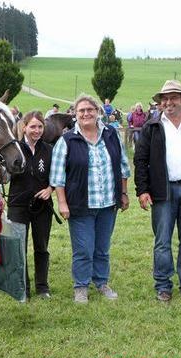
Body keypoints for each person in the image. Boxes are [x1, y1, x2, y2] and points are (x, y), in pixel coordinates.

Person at [50, 94, 130, 304]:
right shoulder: (66, 140)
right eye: (81, 111)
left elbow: (123, 167)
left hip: (107, 204)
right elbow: (58, 177)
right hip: (80, 205)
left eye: (90, 110)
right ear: (75, 115)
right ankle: (81, 287)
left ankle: (101, 282)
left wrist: (123, 193)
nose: (86, 114)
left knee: (102, 247)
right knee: (84, 249)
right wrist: (62, 203)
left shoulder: (112, 135)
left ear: (98, 112)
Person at [134, 80, 181, 302]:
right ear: (160, 102)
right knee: (162, 241)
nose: (168, 102)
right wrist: (142, 189)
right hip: (162, 192)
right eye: (164, 99)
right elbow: (140, 159)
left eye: (173, 97)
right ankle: (163, 285)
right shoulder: (152, 126)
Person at [7, 111, 54, 299]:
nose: (37, 130)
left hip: (43, 206)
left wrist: (50, 188)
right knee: (19, 249)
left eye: (40, 126)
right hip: (18, 205)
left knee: (41, 247)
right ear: (24, 127)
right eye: (33, 126)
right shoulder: (14, 149)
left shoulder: (49, 149)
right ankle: (23, 288)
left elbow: (60, 175)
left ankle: (42, 287)